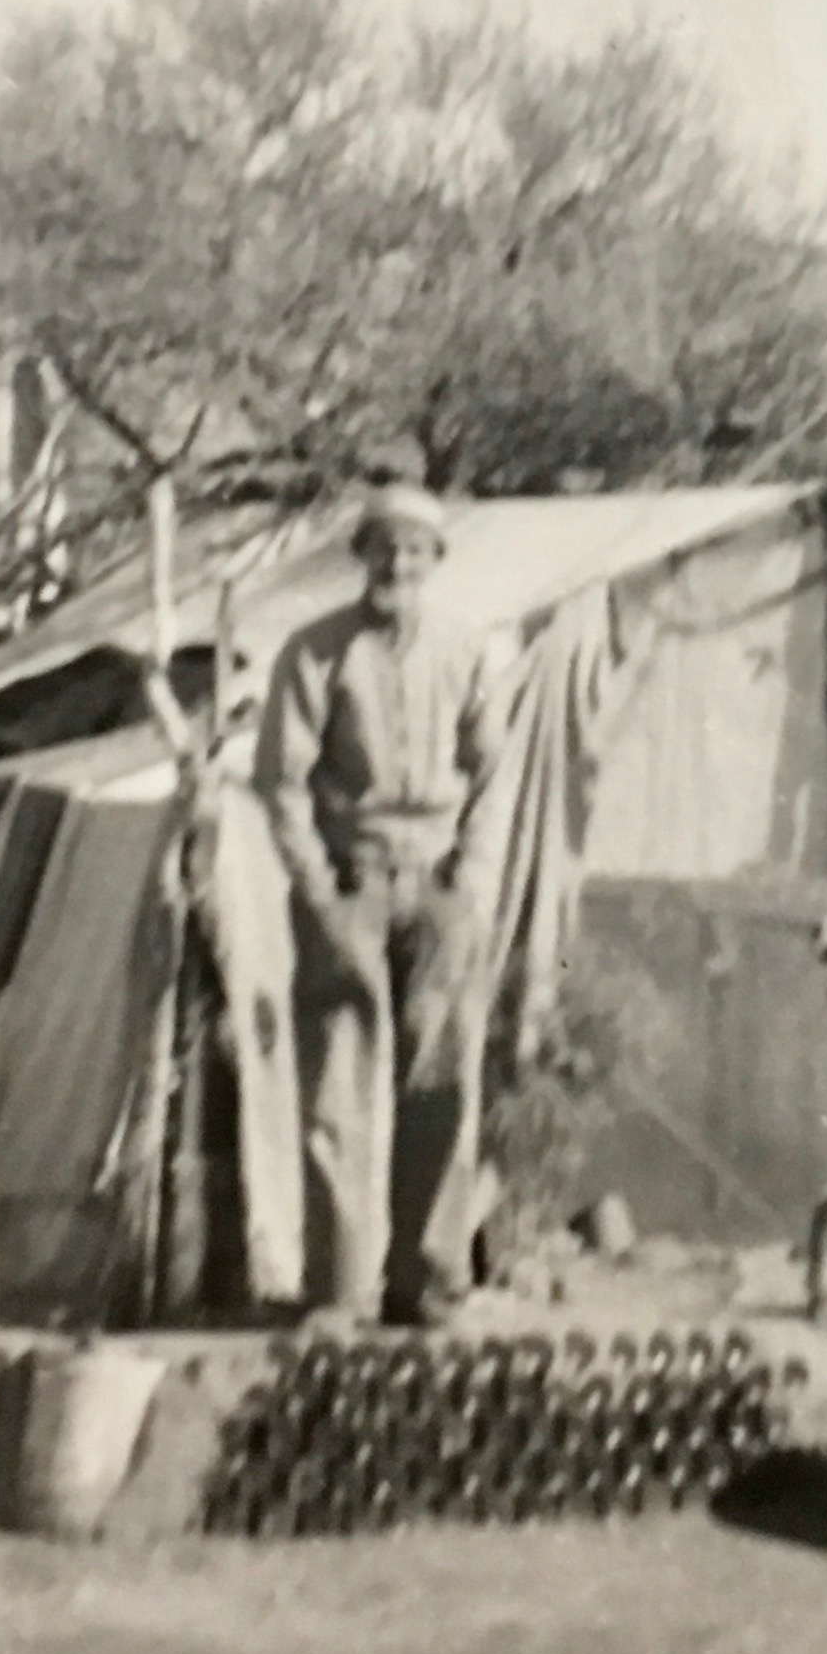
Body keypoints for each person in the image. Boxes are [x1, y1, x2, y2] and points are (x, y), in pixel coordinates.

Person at [254, 482, 509, 1327]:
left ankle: (427, 1282)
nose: (398, 563)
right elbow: (280, 782)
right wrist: (317, 890)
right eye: (384, 547)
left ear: (436, 561)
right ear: (361, 556)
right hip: (350, 886)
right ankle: (341, 1289)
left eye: (415, 549)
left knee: (439, 1085)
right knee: (338, 1093)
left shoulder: (468, 650)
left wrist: (468, 879)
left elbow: (491, 775)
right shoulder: (316, 652)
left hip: (437, 890)